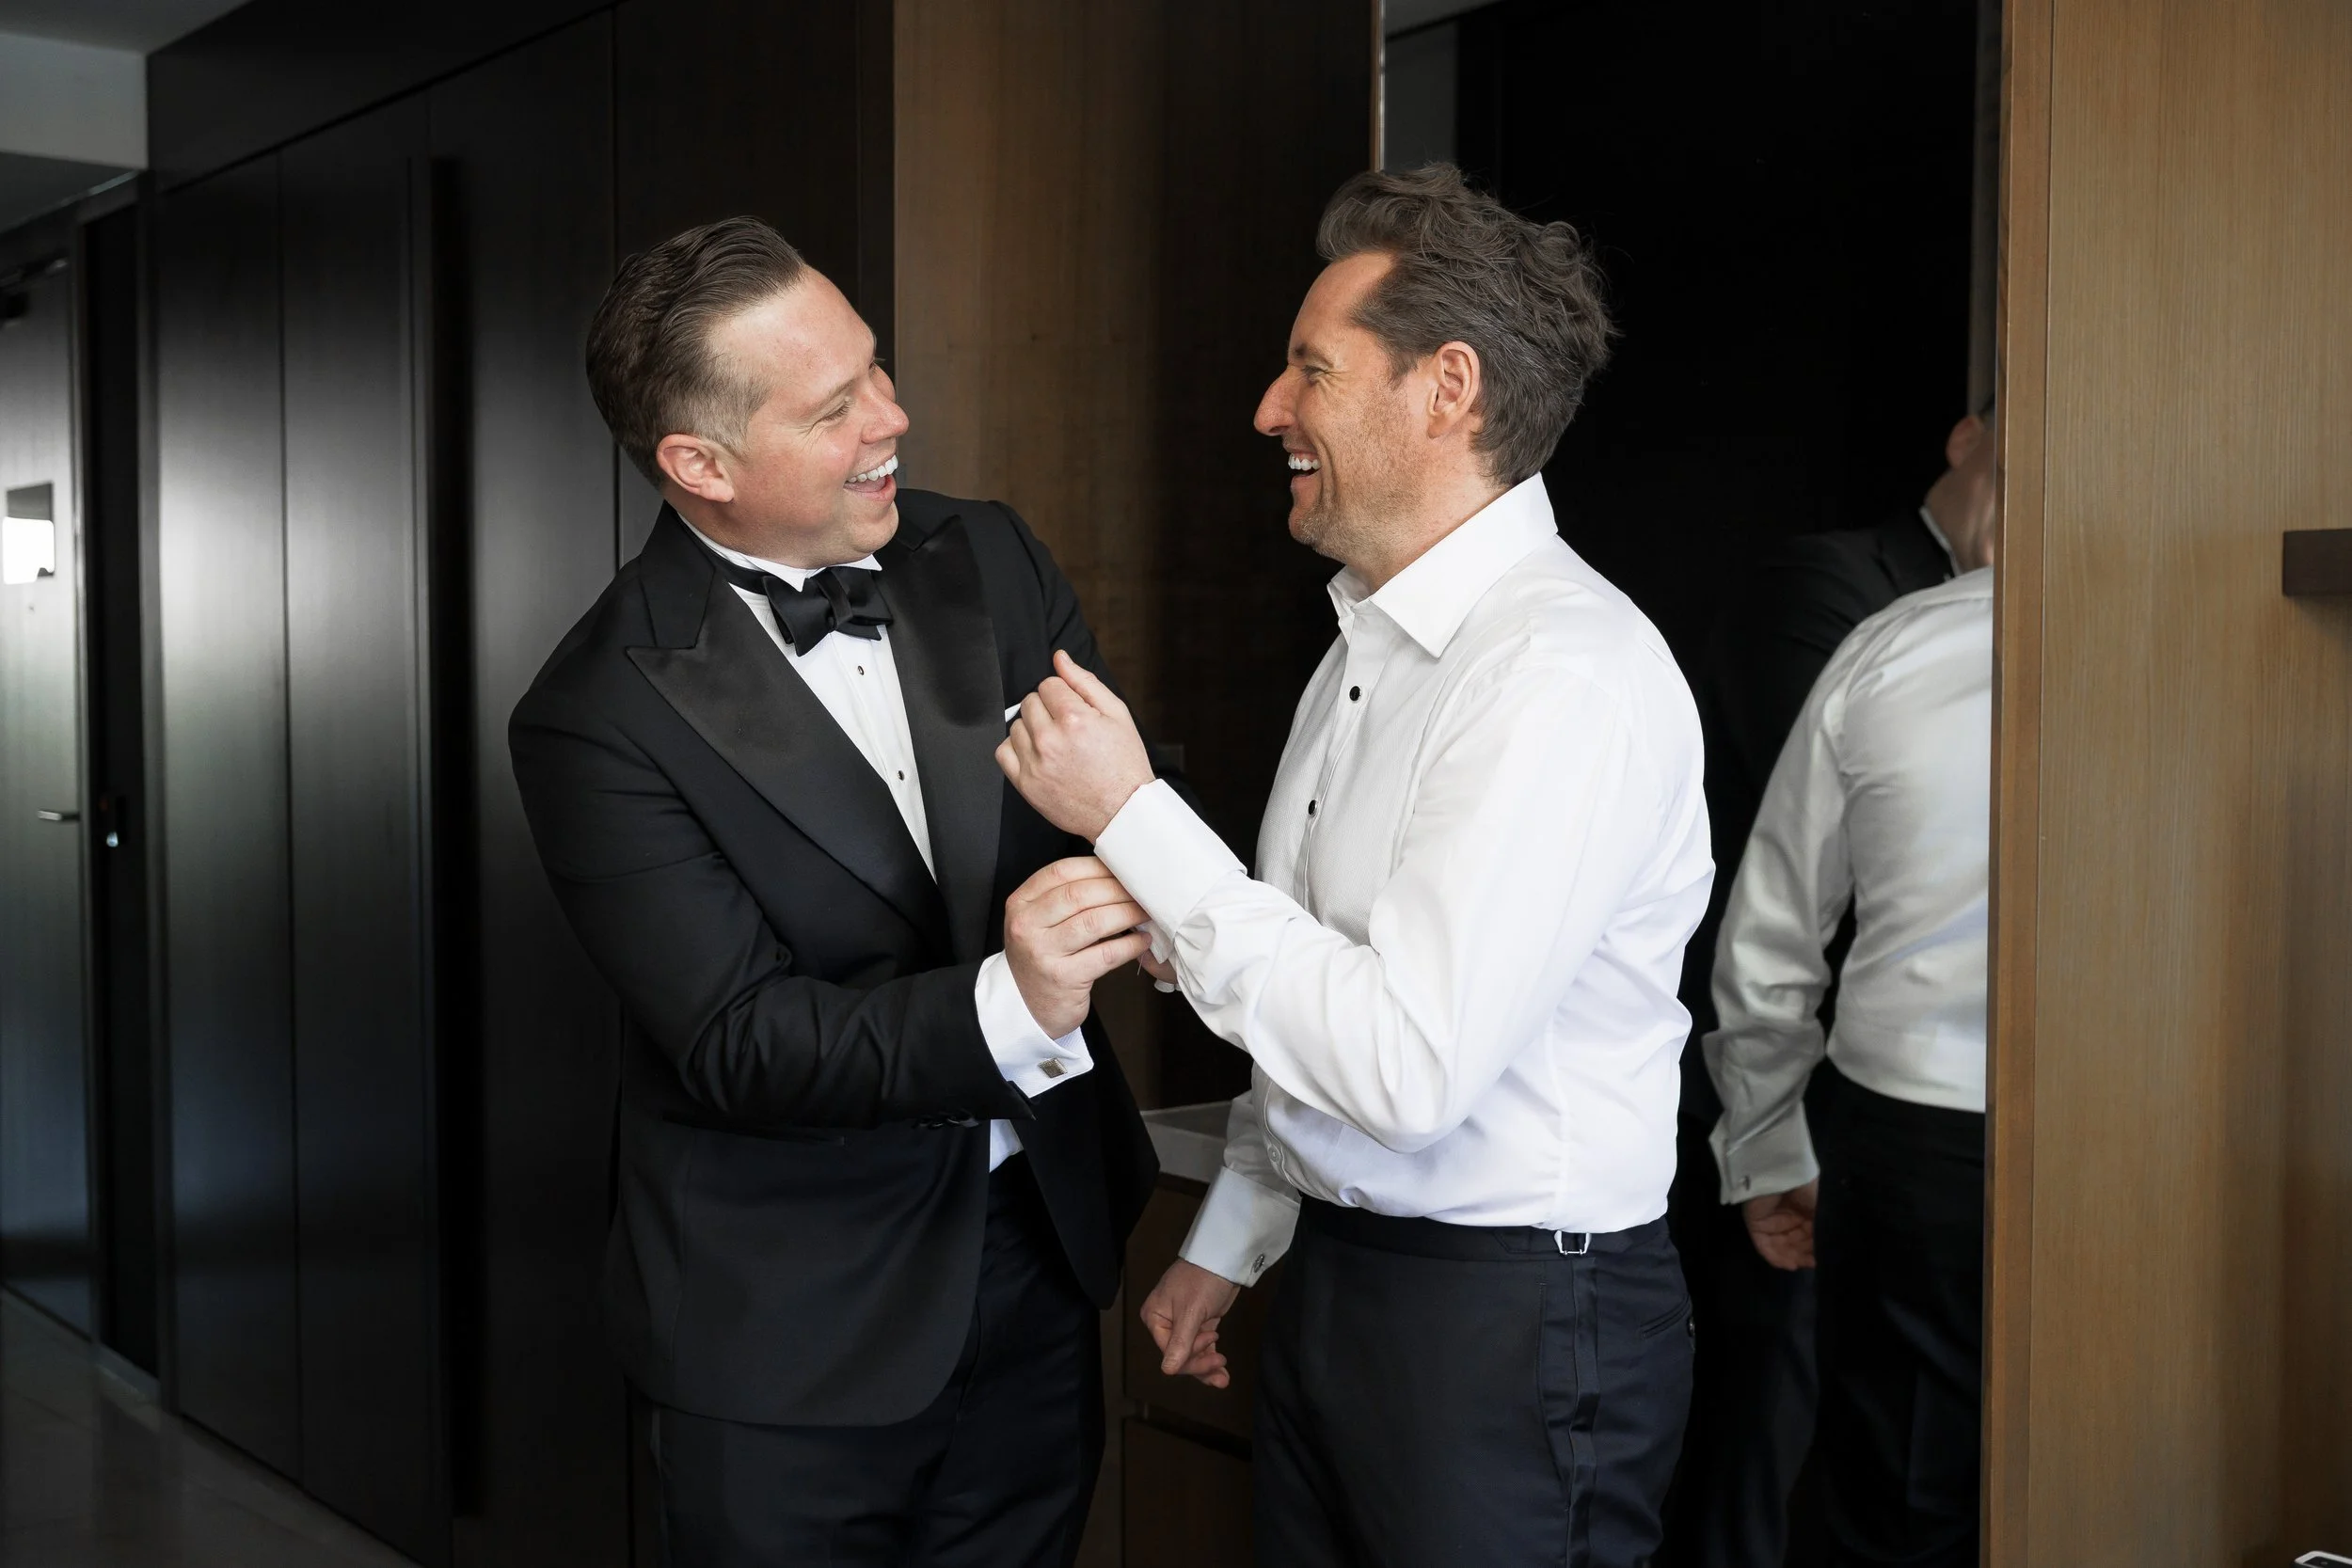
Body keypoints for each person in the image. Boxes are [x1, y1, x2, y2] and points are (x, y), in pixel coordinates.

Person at [995, 165, 1711, 1566]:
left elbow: (1402, 1063)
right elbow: (1319, 981)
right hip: (1346, 1277)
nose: (1270, 408)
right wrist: (1236, 1231)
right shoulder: (1366, 649)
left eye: (1310, 368)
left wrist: (1133, 815)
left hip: (1513, 1323)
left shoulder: (1559, 673)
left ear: (1447, 388)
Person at [509, 216, 1161, 1567]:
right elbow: (740, 1037)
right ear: (700, 464)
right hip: (786, 1332)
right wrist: (1012, 996)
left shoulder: (990, 553)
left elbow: (1112, 801)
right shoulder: (595, 711)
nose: (893, 418)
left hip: (1040, 1260)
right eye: (834, 407)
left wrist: (1151, 887)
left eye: (876, 368)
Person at [1662, 404, 1994, 1568]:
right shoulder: (1840, 603)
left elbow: (1771, 935)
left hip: (1914, 1132)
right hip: (1918, 1135)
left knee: (1905, 1503)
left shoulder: (1901, 641)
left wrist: (1765, 1139)